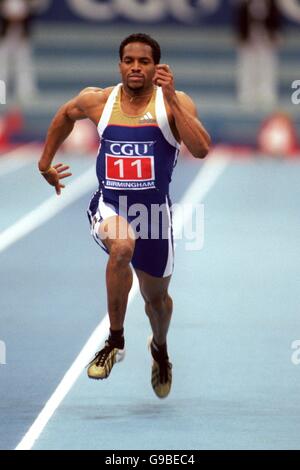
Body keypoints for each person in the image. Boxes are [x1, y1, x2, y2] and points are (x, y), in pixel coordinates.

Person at [38, 33, 211, 399]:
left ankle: (159, 349)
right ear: (120, 65)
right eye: (129, 60)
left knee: (157, 303)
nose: (135, 67)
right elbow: (64, 115)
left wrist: (171, 101)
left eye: (144, 62)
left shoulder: (174, 103)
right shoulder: (100, 100)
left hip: (153, 216)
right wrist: (44, 164)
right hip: (110, 205)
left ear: (157, 67)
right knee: (121, 248)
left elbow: (201, 148)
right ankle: (115, 341)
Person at [234, 0, 281, 108]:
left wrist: (275, 35)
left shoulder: (271, 3)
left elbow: (275, 20)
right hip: (248, 37)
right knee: (247, 65)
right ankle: (246, 92)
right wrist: (240, 36)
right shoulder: (244, 3)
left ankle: (267, 92)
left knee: (267, 64)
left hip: (266, 37)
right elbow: (240, 20)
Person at [0, 0, 39, 103]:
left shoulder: (26, 3)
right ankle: (1, 94)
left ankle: (25, 93)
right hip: (5, 36)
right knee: (2, 66)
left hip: (22, 35)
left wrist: (21, 17)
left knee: (24, 64)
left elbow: (31, 11)